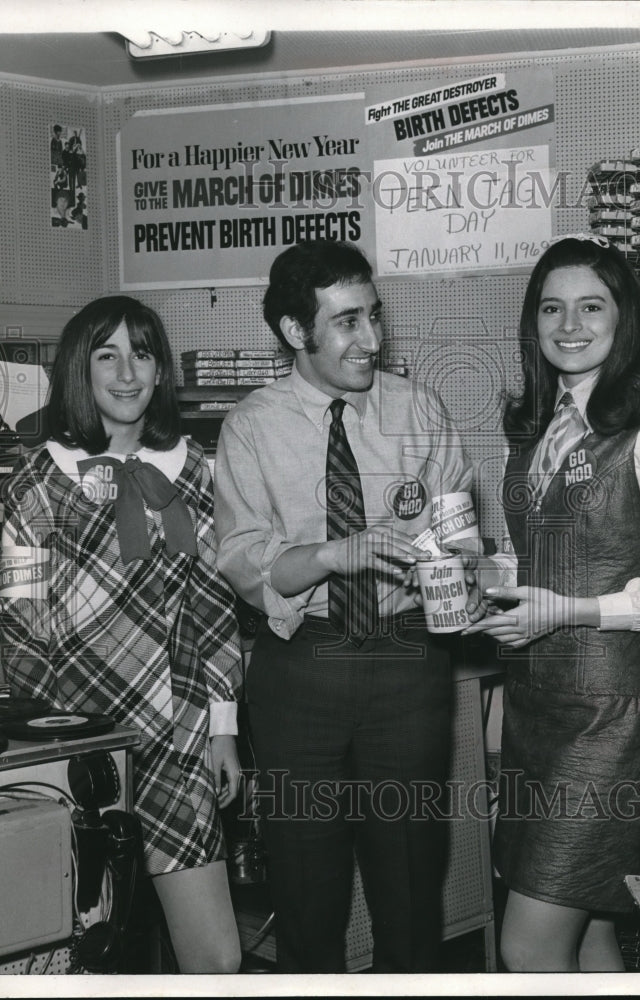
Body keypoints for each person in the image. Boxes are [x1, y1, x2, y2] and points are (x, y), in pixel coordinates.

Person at [214, 240, 479, 973]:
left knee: (409, 889)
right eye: (346, 323)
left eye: (373, 317)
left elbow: (459, 534)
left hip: (406, 665)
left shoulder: (418, 409)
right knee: (306, 896)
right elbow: (242, 558)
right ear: (296, 332)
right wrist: (331, 555)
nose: (371, 340)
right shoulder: (251, 428)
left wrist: (463, 571)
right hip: (300, 675)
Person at [465, 235, 640, 972]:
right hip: (535, 712)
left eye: (590, 307)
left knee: (527, 946)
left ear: (623, 320)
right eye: (552, 307)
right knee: (594, 932)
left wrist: (564, 611)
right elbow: (541, 563)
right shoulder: (535, 433)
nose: (569, 325)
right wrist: (485, 575)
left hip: (609, 720)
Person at [0, 295, 244, 973]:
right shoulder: (39, 480)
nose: (127, 371)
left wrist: (223, 730)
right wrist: (50, 743)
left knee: (217, 959)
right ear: (81, 369)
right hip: (85, 743)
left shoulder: (197, 473)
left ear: (162, 369)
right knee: (89, 952)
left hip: (180, 739)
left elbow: (215, 610)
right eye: (107, 354)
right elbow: (20, 625)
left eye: (142, 352)